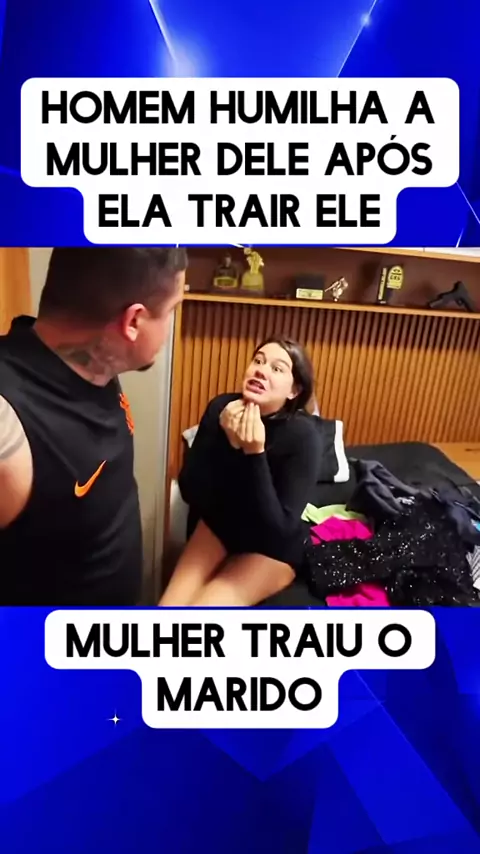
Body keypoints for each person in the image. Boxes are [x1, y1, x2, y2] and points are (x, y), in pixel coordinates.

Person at [0, 246, 187, 605]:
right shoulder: (10, 423)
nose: (168, 328)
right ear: (133, 322)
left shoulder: (96, 361)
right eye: (171, 311)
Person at [160, 337, 322, 607]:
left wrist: (254, 453)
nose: (261, 370)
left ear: (294, 390)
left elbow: (278, 529)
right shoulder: (221, 409)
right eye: (258, 361)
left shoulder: (304, 436)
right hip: (222, 524)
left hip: (272, 547)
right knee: (168, 608)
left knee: (202, 610)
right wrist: (226, 442)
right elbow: (190, 490)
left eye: (277, 368)